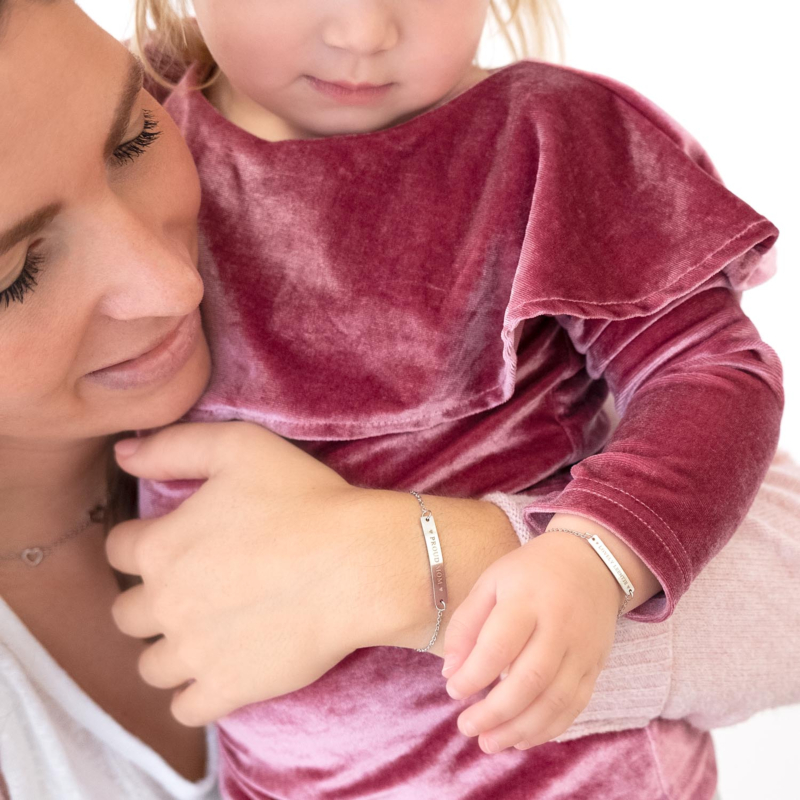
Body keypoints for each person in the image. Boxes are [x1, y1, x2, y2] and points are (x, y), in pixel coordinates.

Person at [0, 2, 797, 799]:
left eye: (132, 140)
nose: (177, 288)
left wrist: (574, 560)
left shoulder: (550, 139)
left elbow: (712, 378)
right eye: (17, 275)